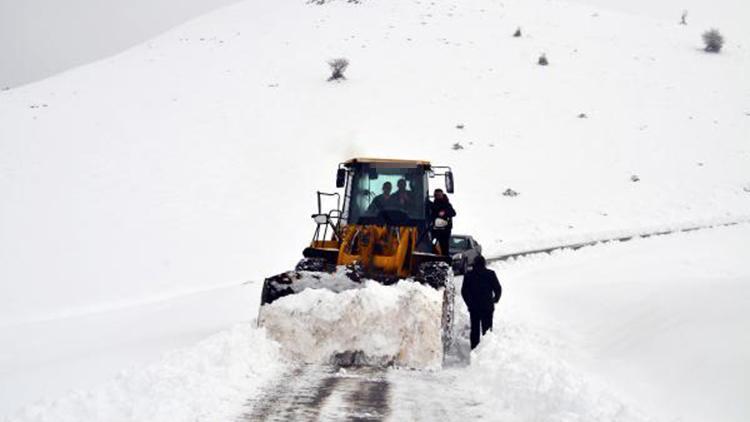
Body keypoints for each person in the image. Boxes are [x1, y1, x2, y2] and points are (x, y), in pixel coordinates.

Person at [461, 255, 502, 349]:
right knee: (487, 330)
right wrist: (495, 299)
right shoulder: (491, 274)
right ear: (484, 264)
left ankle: (474, 349)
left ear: (474, 264)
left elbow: (464, 292)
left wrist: (469, 303)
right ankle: (487, 349)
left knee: (475, 330)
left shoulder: (468, 275)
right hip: (487, 306)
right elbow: (498, 289)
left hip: (474, 307)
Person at [429, 189, 456, 256]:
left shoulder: (447, 204)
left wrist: (445, 213)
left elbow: (453, 213)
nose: (437, 196)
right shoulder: (433, 205)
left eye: (439, 195)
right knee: (433, 243)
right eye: (436, 195)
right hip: (435, 229)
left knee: (444, 246)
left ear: (442, 195)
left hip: (445, 230)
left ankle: (445, 259)